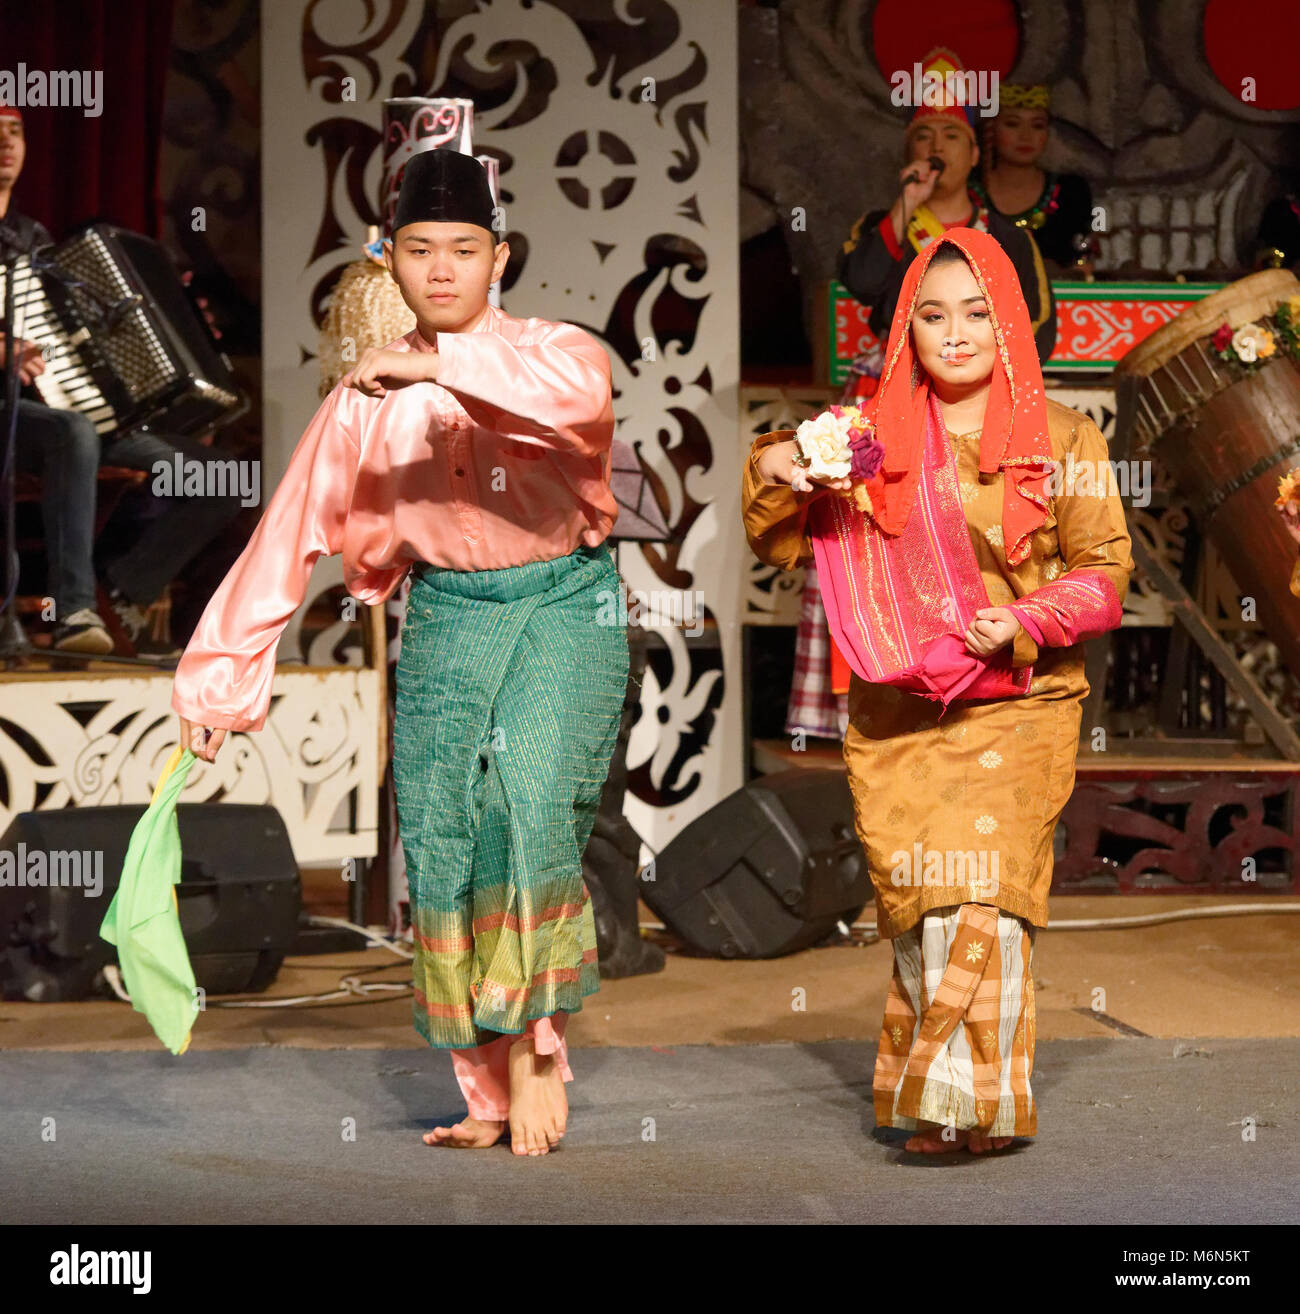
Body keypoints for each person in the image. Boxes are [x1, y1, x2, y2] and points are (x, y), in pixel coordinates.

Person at [171, 148, 627, 1157]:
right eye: (420, 251)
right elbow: (284, 536)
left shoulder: (557, 352)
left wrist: (444, 366)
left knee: (525, 802)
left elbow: (580, 410)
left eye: (464, 250)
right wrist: (218, 684)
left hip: (562, 601)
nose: (443, 271)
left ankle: (535, 1044)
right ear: (391, 257)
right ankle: (484, 1089)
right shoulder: (365, 401)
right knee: (441, 835)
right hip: (450, 613)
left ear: (497, 255)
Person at [743, 228, 1133, 1154]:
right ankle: (937, 1100)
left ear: (1009, 324)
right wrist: (775, 469)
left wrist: (1027, 620)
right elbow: (780, 529)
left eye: (976, 314)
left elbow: (1106, 571)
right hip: (902, 709)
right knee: (923, 903)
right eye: (931, 315)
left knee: (982, 899)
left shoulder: (1063, 439)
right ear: (906, 326)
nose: (954, 335)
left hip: (1022, 698)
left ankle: (977, 1107)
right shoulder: (863, 439)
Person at [0, 99, 240, 657]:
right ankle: (74, 611)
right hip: (15, 415)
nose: (6, 144)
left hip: (66, 405)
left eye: (14, 132)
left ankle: (121, 590)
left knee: (224, 476)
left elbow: (75, 330)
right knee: (72, 433)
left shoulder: (32, 238)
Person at [840, 49, 1056, 365]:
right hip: (897, 386)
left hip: (982, 393)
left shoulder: (1011, 240)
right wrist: (908, 201)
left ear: (974, 155)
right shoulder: (879, 226)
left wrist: (968, 370)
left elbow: (1039, 331)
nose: (937, 147)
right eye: (924, 136)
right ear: (909, 152)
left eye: (952, 135)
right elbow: (863, 284)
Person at [972, 83, 1095, 277]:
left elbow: (1083, 264)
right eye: (1012, 124)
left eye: (1037, 126)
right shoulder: (966, 191)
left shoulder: (1071, 192)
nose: (1026, 136)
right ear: (991, 129)